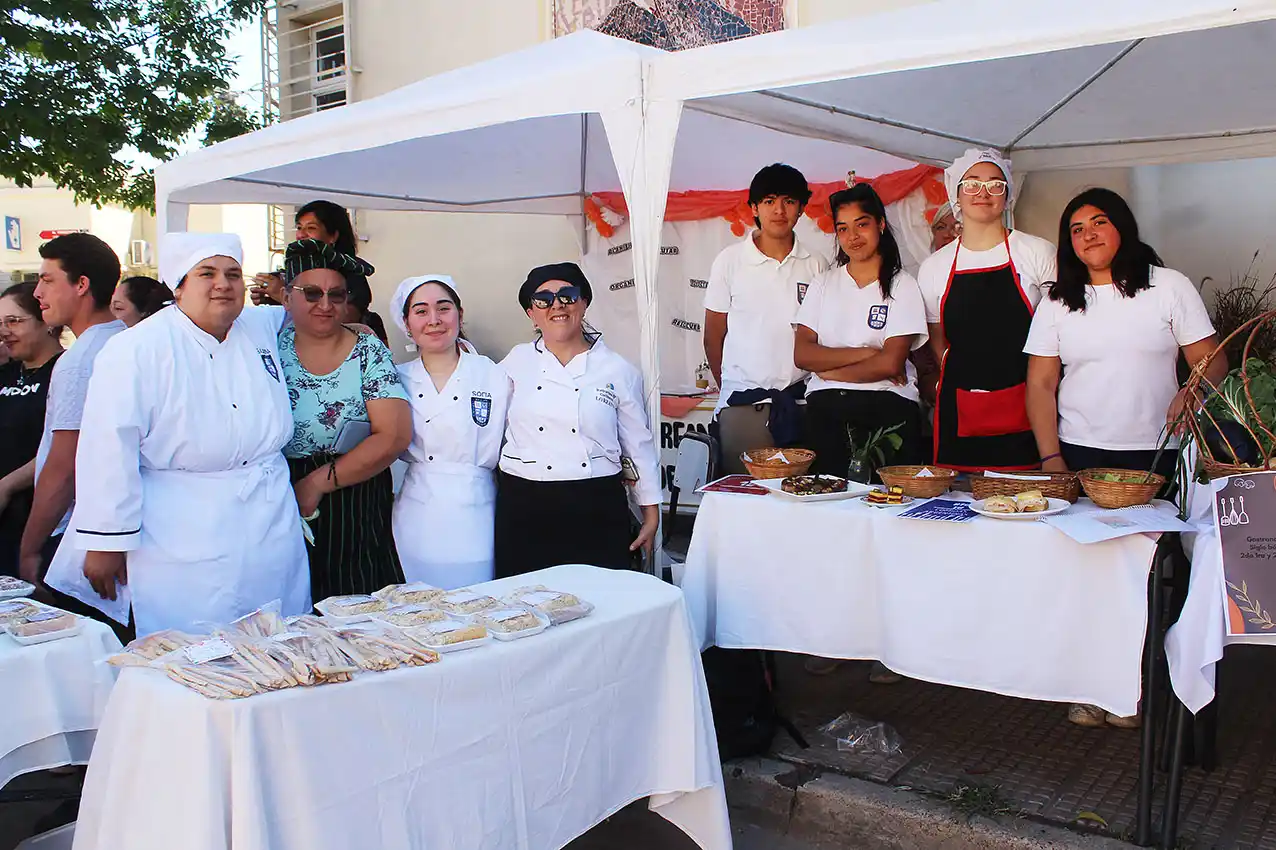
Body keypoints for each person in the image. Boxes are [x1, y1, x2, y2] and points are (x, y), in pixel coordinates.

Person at [59, 233, 311, 636]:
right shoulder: (135, 349)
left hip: (269, 518)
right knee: (195, 648)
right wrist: (106, 541)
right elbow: (107, 449)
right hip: (179, 528)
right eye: (206, 273)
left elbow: (311, 307)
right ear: (179, 287)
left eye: (233, 274)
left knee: (281, 638)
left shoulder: (258, 327)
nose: (223, 284)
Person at [494, 262, 661, 577]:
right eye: (543, 299)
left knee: (600, 599)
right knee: (525, 599)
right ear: (531, 313)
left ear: (584, 303)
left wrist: (650, 511)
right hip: (524, 504)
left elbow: (638, 446)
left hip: (596, 503)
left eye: (567, 295)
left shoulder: (618, 370)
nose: (557, 305)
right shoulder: (513, 363)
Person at [278, 239, 411, 600]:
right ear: (286, 297)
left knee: (357, 603)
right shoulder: (267, 347)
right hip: (280, 492)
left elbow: (394, 435)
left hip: (355, 494)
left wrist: (316, 484)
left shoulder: (367, 350)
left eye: (336, 295)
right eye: (311, 293)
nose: (325, 304)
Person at [919, 149, 1057, 472]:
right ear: (956, 195)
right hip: (961, 407)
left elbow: (1057, 333)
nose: (983, 193)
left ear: (1007, 196)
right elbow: (936, 340)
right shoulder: (934, 267)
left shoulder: (1037, 252)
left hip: (1029, 404)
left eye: (995, 184)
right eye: (972, 184)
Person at [18, 234, 127, 608]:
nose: (38, 293)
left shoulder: (80, 361)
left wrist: (30, 548)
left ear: (82, 285)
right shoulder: (130, 341)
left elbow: (64, 467)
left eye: (48, 280)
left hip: (80, 535)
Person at [795, 184, 929, 478]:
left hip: (888, 405)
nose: (852, 237)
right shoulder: (823, 284)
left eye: (861, 225)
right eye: (843, 229)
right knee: (828, 497)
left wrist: (830, 371)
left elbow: (891, 364)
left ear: (880, 224)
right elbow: (803, 355)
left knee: (888, 499)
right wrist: (867, 353)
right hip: (827, 407)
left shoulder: (902, 284)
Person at [704, 164, 828, 472]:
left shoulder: (816, 264)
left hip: (802, 403)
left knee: (802, 493)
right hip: (745, 406)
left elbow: (825, 337)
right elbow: (713, 336)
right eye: (769, 201)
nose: (779, 210)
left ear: (802, 208)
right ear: (754, 208)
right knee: (745, 495)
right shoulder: (730, 261)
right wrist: (735, 389)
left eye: (789, 201)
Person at [390, 274, 510, 588]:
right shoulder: (394, 379)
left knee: (478, 601)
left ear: (460, 314)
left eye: (443, 308)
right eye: (421, 311)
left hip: (478, 515)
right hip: (416, 516)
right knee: (418, 604)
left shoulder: (494, 374)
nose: (434, 320)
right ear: (407, 323)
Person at [0, 284, 64, 576]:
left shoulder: (64, 371)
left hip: (38, 516)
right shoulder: (7, 372)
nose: (5, 331)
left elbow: (65, 447)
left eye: (14, 321)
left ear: (46, 323)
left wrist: (9, 484)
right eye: (1, 323)